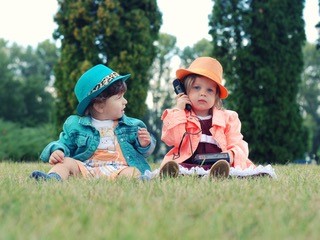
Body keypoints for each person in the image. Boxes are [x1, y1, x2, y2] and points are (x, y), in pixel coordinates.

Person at [31, 64, 156, 181]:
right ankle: (53, 178)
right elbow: (64, 143)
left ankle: (140, 180)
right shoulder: (76, 125)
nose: (125, 101)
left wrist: (144, 144)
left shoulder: (131, 126)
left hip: (119, 169)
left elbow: (144, 153)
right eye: (119, 98)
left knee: (132, 171)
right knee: (65, 162)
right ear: (99, 106)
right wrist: (58, 151)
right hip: (85, 168)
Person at [159, 57, 255, 179]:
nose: (203, 93)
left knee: (224, 168)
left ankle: (215, 175)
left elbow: (237, 143)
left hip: (217, 164)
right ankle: (173, 174)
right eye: (196, 87)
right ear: (184, 91)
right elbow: (172, 139)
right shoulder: (179, 115)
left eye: (209, 90)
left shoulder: (228, 118)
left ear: (216, 97)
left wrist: (231, 155)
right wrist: (179, 111)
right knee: (180, 168)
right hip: (189, 163)